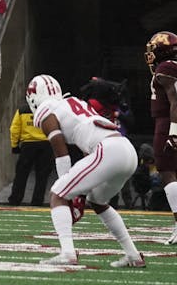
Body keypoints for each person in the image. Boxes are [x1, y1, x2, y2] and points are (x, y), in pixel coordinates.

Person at [25, 74, 146, 268]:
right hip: (125, 150)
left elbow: (60, 150)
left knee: (57, 193)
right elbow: (85, 149)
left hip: (108, 149)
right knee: (98, 201)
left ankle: (67, 253)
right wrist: (78, 190)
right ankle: (133, 255)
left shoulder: (46, 110)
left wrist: (67, 190)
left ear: (33, 97)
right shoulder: (73, 103)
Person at [145, 31, 177, 243]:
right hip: (168, 121)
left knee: (166, 172)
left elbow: (176, 99)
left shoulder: (166, 68)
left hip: (167, 122)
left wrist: (173, 132)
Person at [8, 104, 54, 207]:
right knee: (42, 175)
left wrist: (14, 145)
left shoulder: (22, 109)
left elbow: (14, 128)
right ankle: (37, 201)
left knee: (21, 174)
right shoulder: (50, 109)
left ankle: (15, 199)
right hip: (46, 144)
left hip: (28, 145)